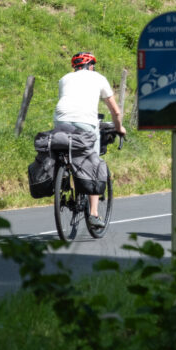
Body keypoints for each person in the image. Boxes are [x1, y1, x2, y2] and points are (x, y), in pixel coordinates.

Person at [54, 52, 126, 228]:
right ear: (91, 66)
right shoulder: (98, 78)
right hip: (86, 122)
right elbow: (115, 112)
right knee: (93, 163)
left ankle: (64, 175)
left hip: (60, 121)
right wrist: (119, 128)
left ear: (75, 67)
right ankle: (94, 214)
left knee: (67, 147)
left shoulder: (64, 79)